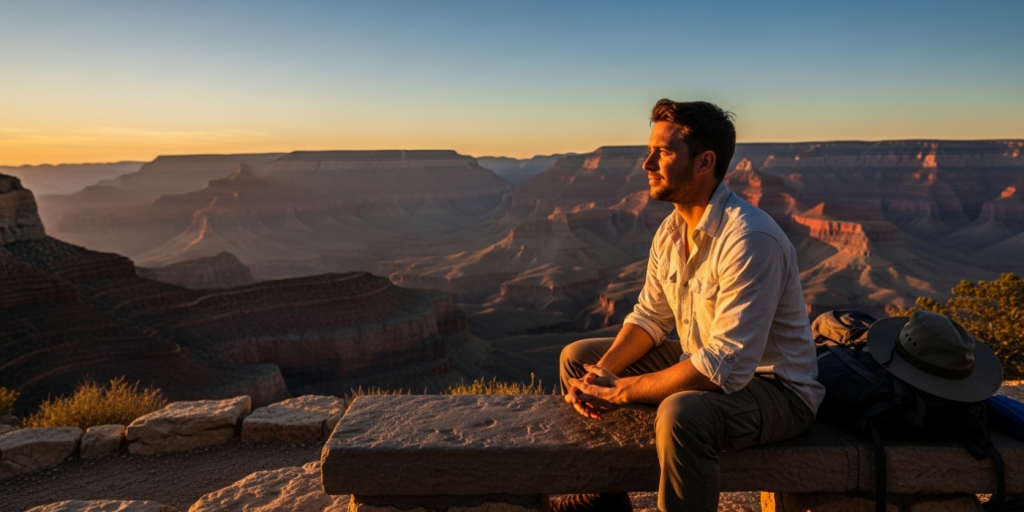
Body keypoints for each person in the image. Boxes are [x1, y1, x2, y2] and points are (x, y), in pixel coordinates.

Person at [557, 99, 825, 512]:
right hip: (705, 361)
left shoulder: (749, 239)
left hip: (776, 390)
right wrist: (604, 372)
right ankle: (603, 501)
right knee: (578, 360)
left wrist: (623, 391)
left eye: (662, 153)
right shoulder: (671, 231)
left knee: (682, 413)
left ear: (704, 162)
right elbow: (650, 317)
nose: (647, 163)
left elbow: (725, 366)